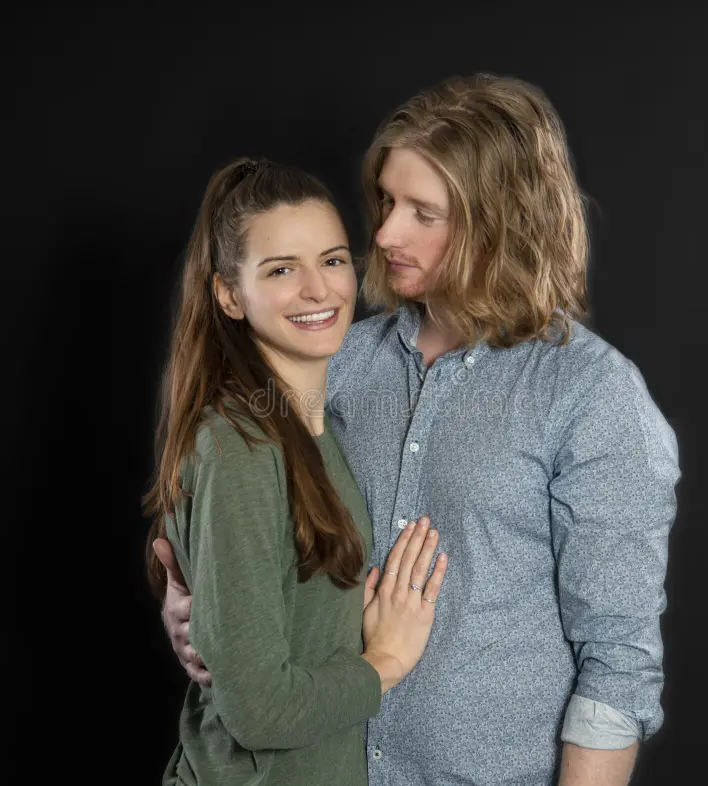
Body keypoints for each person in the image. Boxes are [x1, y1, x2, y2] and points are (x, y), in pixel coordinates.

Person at [157, 74, 681, 785]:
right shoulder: (336, 360)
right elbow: (223, 489)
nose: (382, 233)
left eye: (421, 212)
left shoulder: (589, 395)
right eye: (386, 202)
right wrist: (188, 598)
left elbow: (618, 666)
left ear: (501, 221)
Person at [142, 156, 449, 786]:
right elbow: (259, 712)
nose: (319, 289)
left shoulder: (312, 427)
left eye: (333, 260)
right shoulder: (240, 447)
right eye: (282, 269)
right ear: (229, 293)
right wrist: (384, 661)